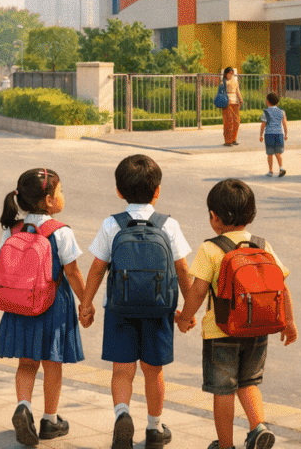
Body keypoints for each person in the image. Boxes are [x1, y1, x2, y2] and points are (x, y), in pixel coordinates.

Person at [79, 154, 193, 449]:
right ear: (157, 190)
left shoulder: (111, 224)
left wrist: (86, 304)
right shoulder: (169, 225)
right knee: (153, 371)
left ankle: (122, 414)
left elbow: (97, 268)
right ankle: (155, 429)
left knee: (122, 370)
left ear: (119, 191)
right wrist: (188, 311)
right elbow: (182, 269)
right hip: (160, 310)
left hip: (120, 308)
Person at [176, 179, 297, 449]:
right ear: (251, 215)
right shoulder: (262, 246)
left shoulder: (211, 248)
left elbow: (197, 291)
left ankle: (226, 445)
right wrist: (289, 323)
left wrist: (185, 318)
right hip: (258, 329)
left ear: (214, 217)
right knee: (249, 383)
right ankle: (258, 428)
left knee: (224, 390)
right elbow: (282, 287)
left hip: (221, 332)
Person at [0, 168, 87, 446]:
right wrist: (86, 303)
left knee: (26, 363)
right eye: (59, 192)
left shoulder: (13, 230)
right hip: (53, 304)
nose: (62, 196)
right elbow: (73, 272)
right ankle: (50, 419)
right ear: (48, 200)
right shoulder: (60, 232)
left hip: (19, 304)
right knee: (52, 362)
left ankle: (23, 406)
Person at [259, 92, 288, 177]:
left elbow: (263, 125)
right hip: (279, 134)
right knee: (278, 153)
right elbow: (284, 123)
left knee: (270, 153)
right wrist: (286, 134)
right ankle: (281, 168)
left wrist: (260, 135)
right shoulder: (281, 112)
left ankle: (270, 171)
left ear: (268, 101)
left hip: (269, 134)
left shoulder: (266, 112)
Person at [221, 66, 244, 146]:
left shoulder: (235, 81)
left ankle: (234, 139)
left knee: (236, 121)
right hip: (227, 103)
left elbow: (237, 90)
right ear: (226, 74)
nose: (231, 75)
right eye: (229, 73)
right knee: (228, 122)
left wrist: (240, 99)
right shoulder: (223, 82)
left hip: (235, 103)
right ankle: (228, 141)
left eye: (232, 73)